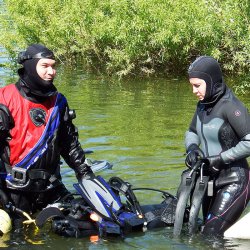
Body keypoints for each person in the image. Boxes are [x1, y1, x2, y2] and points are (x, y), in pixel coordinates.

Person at [0, 44, 92, 228]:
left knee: (84, 220)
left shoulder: (59, 101)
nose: (51, 71)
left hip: (51, 188)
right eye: (45, 66)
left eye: (53, 66)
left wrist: (86, 175)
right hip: (14, 192)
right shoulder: (5, 98)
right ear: (30, 66)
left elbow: (69, 143)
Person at [185, 56, 250, 236]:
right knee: (199, 230)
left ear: (211, 81)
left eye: (197, 85)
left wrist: (221, 159)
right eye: (192, 85)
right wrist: (191, 148)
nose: (193, 90)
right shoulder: (202, 105)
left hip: (235, 180)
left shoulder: (231, 107)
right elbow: (191, 131)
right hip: (210, 180)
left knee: (210, 235)